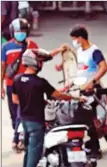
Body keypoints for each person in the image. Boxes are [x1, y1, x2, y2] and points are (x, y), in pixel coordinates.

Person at [12, 48, 86, 167]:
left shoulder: (17, 79)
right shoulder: (40, 82)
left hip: (24, 120)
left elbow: (15, 100)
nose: (41, 65)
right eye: (40, 62)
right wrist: (76, 98)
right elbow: (58, 95)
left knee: (28, 151)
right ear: (33, 63)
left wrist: (36, 101)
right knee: (35, 152)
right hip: (36, 122)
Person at [1, 18, 67, 152]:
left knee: (22, 112)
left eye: (23, 31)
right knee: (14, 114)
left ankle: (17, 139)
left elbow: (44, 56)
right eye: (18, 31)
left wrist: (59, 50)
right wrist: (1, 85)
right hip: (11, 85)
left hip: (27, 86)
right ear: (13, 32)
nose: (21, 34)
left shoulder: (32, 45)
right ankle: (18, 134)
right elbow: (2, 67)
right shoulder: (6, 47)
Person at [56, 24, 107, 159]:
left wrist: (93, 81)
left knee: (89, 119)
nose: (74, 42)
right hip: (81, 89)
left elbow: (104, 67)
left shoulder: (94, 51)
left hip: (93, 90)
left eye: (75, 39)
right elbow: (78, 69)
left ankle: (95, 150)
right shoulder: (79, 51)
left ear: (81, 38)